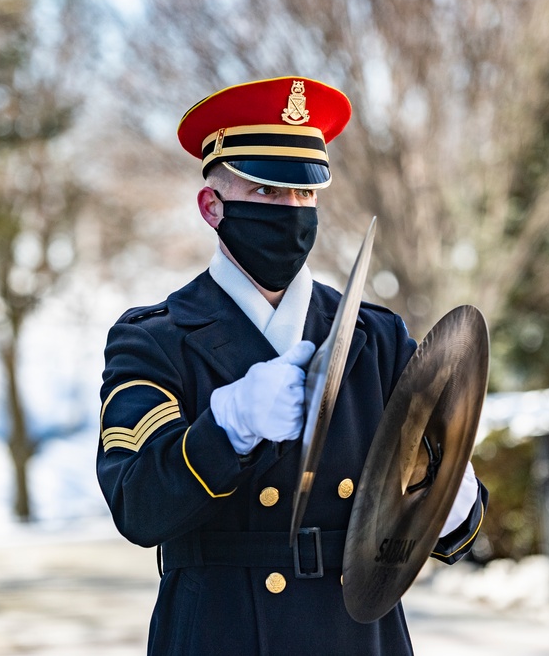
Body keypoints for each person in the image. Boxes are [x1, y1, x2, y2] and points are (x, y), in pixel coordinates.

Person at [96, 76, 486, 655]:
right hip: (218, 632)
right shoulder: (155, 339)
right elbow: (137, 505)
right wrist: (227, 426)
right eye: (267, 193)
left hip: (356, 632)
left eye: (304, 195)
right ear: (213, 206)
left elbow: (457, 529)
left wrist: (447, 497)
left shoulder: (377, 337)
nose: (292, 211)